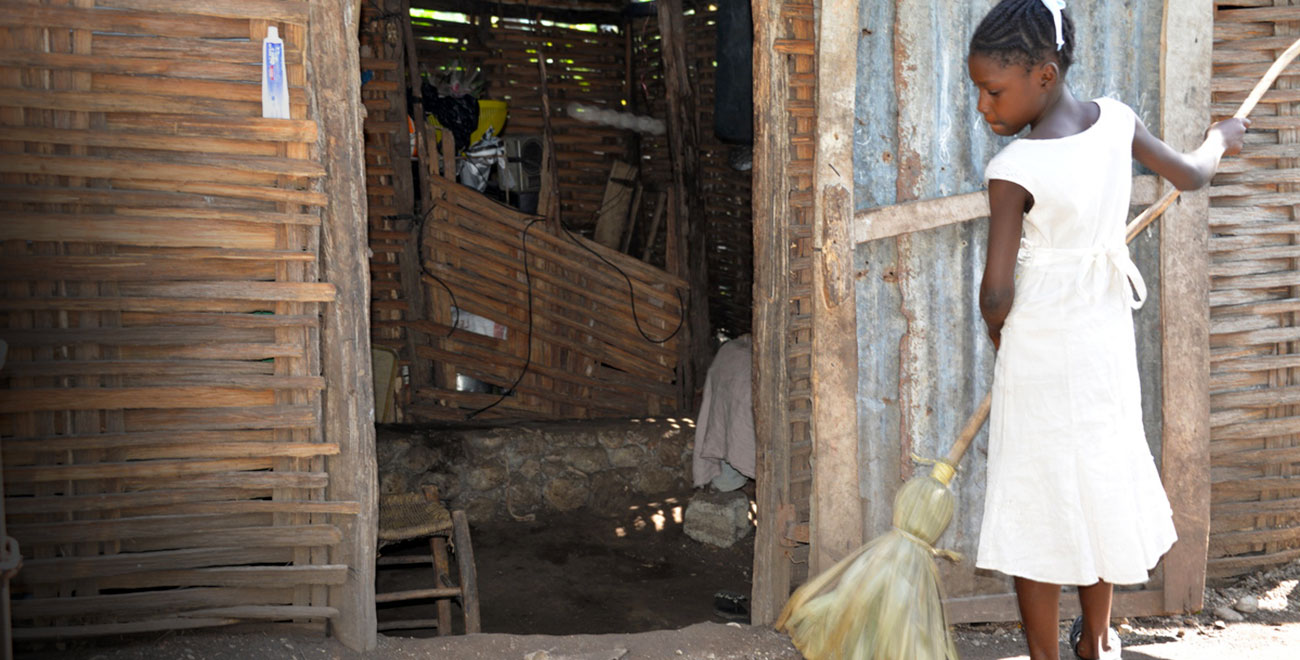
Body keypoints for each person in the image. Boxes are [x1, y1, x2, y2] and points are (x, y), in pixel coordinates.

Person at [966, 2, 1248, 659]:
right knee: (1096, 480)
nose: (984, 106)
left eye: (992, 90)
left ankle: (1047, 655)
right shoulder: (1117, 122)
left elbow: (996, 291)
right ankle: (1094, 641)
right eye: (978, 90)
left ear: (1042, 74)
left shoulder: (1014, 169)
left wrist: (1001, 337)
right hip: (1101, 341)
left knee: (1038, 497)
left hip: (1040, 345)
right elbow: (1193, 175)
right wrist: (1222, 137)